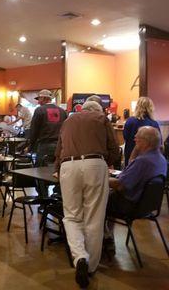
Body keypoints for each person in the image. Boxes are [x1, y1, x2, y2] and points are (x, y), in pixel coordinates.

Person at [55, 101, 120, 288]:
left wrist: (58, 169)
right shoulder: (102, 119)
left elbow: (59, 149)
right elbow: (114, 148)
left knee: (72, 216)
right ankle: (91, 267)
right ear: (98, 110)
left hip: (68, 165)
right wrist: (107, 162)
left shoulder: (68, 120)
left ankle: (80, 257)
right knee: (94, 218)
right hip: (94, 163)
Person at [105, 126, 167, 250]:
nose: (134, 138)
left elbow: (120, 185)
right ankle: (107, 235)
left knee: (98, 199)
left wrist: (101, 179)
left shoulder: (143, 161)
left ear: (146, 142)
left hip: (130, 205)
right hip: (147, 206)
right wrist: (137, 149)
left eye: (137, 137)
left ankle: (104, 238)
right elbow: (131, 165)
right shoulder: (161, 159)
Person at [29, 89, 67, 166]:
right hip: (59, 146)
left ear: (44, 98)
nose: (38, 102)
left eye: (39, 99)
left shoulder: (39, 110)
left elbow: (34, 130)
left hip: (44, 145)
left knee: (41, 171)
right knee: (56, 170)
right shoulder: (62, 111)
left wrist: (31, 146)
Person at [123, 97, 161, 166]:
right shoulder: (154, 123)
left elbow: (125, 137)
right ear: (150, 108)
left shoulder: (130, 121)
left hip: (131, 153)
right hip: (148, 157)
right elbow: (158, 142)